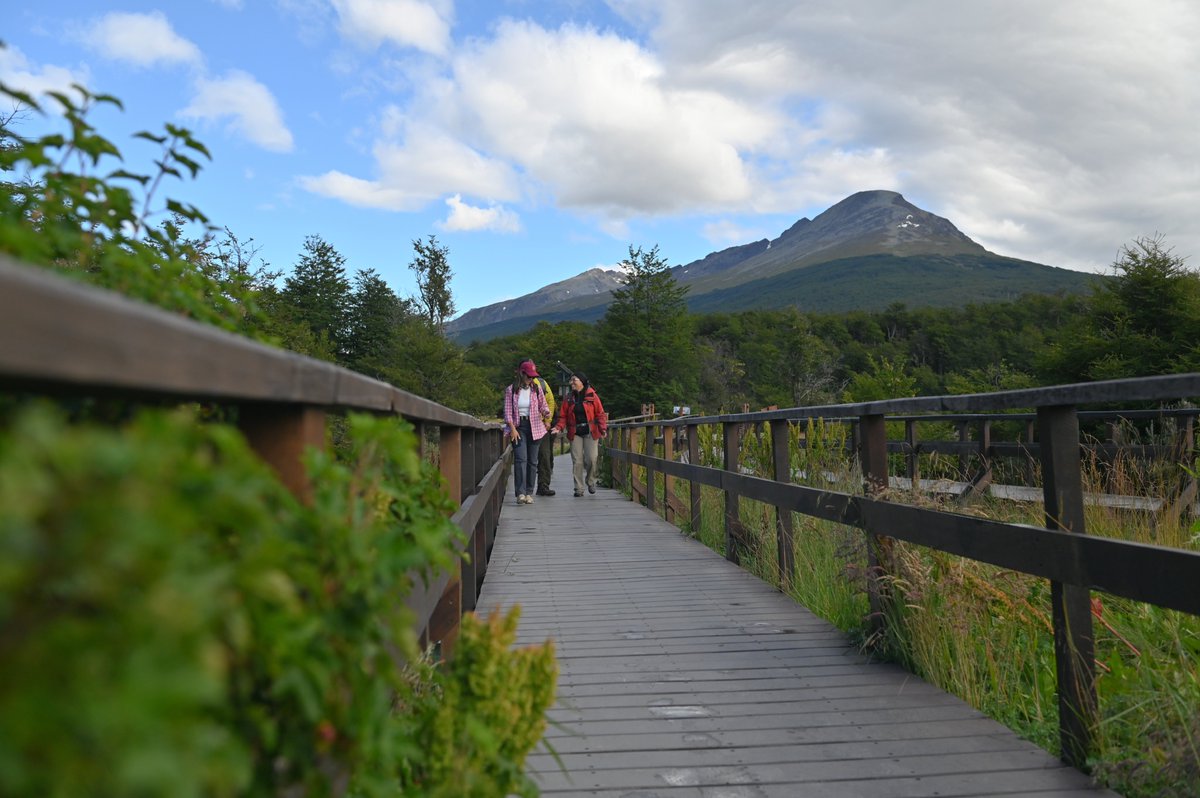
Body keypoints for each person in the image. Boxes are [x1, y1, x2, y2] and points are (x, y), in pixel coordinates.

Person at [503, 359, 552, 505]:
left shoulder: (536, 389)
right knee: (520, 459)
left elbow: (543, 405)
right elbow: (507, 412)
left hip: (535, 426)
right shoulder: (511, 390)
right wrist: (512, 429)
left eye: (533, 377)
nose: (531, 379)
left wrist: (546, 413)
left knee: (533, 461)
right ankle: (520, 493)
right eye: (529, 376)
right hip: (519, 427)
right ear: (521, 374)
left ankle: (529, 492)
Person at [554, 372, 607, 497]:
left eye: (574, 380)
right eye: (571, 380)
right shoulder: (568, 398)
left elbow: (600, 414)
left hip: (590, 430)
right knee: (577, 461)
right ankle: (578, 488)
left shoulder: (592, 395)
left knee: (592, 459)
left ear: (582, 382)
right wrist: (558, 427)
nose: (571, 383)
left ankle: (591, 481)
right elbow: (563, 416)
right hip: (575, 431)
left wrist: (603, 428)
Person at [531, 364, 558, 496]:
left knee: (545, 455)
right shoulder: (516, 386)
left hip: (542, 425)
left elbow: (550, 402)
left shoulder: (541, 383)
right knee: (526, 457)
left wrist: (548, 420)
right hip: (525, 426)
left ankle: (543, 485)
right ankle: (525, 488)